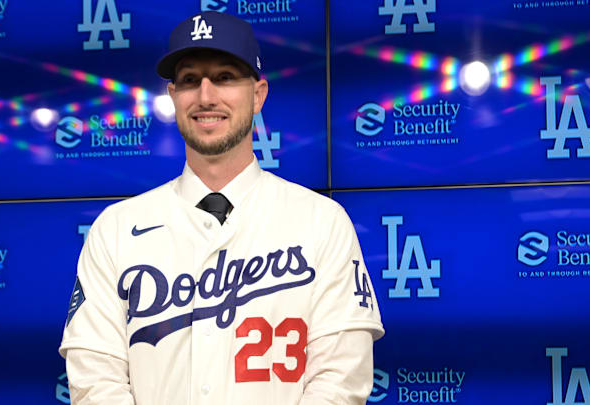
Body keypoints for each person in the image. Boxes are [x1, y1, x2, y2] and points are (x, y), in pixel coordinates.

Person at [59, 11, 384, 405]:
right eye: (190, 80)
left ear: (258, 94)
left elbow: (340, 379)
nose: (206, 96)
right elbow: (96, 379)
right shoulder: (116, 229)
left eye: (226, 77)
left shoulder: (321, 222)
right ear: (173, 96)